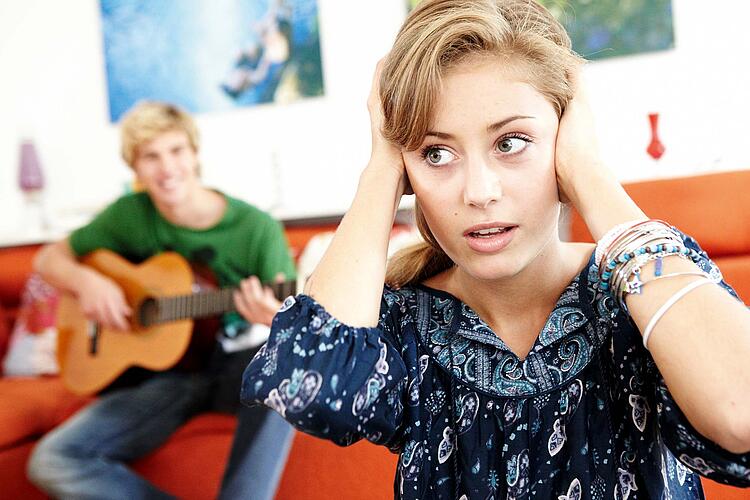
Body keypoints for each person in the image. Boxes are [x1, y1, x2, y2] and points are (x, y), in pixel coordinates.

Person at [241, 0, 750, 498]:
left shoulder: (647, 291)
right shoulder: (403, 321)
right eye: (436, 153)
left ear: (564, 138)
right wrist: (379, 173)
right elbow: (314, 385)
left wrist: (588, 173)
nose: (478, 191)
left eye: (510, 142)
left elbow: (741, 412)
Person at [28, 101, 296, 500]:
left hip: (234, 366)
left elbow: (295, 317)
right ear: (134, 169)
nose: (167, 168)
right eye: (150, 157)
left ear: (194, 154)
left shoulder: (256, 228)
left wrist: (273, 315)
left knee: (287, 363)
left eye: (176, 151)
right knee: (52, 459)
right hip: (164, 378)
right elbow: (48, 259)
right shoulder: (128, 216)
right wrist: (87, 283)